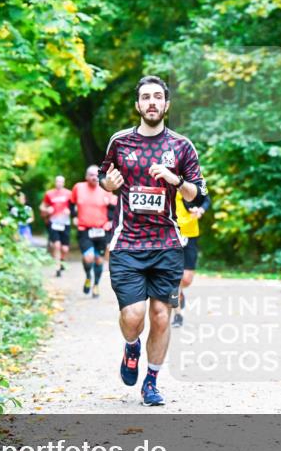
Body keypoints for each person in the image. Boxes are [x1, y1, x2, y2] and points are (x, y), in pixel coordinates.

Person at [98, 75, 207, 407]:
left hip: (167, 245)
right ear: (137, 105)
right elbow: (105, 177)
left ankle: (151, 382)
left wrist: (176, 179)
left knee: (161, 315)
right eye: (145, 97)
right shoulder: (120, 142)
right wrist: (109, 183)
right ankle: (131, 347)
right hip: (128, 243)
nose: (151, 102)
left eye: (157, 97)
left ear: (166, 104)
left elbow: (197, 192)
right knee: (133, 317)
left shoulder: (181, 146)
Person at [70, 165, 117, 297]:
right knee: (88, 257)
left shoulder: (106, 189)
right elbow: (71, 203)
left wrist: (110, 221)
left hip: (101, 230)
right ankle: (88, 277)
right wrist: (73, 217)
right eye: (91, 175)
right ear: (86, 176)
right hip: (85, 229)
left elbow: (113, 206)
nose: (94, 177)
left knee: (98, 260)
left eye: (96, 175)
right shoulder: (78, 187)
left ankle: (96, 285)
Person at [172, 189, 210, 328]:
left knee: (186, 279)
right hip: (171, 233)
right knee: (173, 278)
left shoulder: (196, 180)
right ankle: (178, 314)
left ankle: (179, 291)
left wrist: (200, 210)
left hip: (190, 233)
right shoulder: (166, 177)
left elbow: (206, 200)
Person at [40, 176, 72, 277]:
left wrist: (70, 211)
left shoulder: (69, 193)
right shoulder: (49, 193)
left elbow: (75, 206)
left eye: (61, 181)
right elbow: (42, 206)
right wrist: (47, 209)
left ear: (64, 183)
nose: (59, 183)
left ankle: (61, 260)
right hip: (54, 222)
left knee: (65, 249)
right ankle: (57, 267)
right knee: (56, 245)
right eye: (57, 181)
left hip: (65, 222)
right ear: (55, 182)